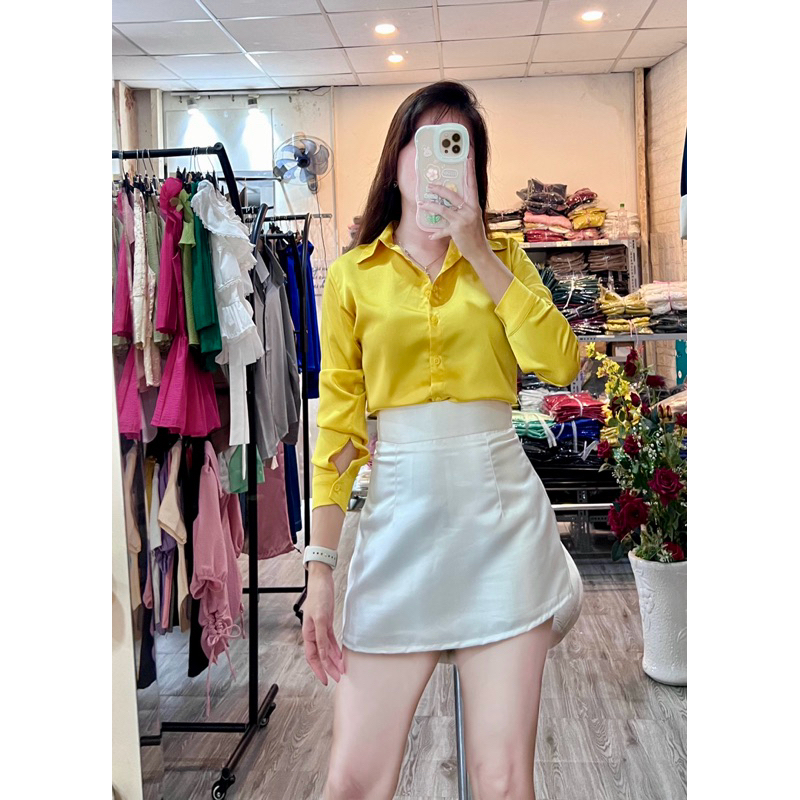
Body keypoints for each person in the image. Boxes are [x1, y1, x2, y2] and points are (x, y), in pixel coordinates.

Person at [304, 81, 581, 800]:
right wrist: (320, 569)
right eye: (425, 143)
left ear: (474, 170)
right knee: (353, 779)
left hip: (503, 529)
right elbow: (338, 432)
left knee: (502, 779)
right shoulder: (351, 277)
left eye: (457, 150)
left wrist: (479, 252)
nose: (437, 164)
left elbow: (560, 363)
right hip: (397, 528)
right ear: (396, 159)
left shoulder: (506, 258)